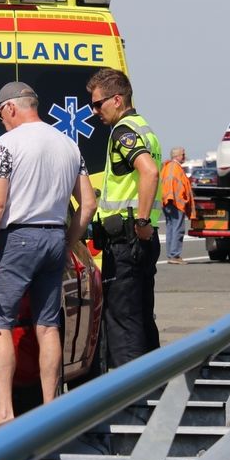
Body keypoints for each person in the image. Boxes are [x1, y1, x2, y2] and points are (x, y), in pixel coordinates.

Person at [0, 82, 96, 439]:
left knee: (0, 324)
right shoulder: (69, 144)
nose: (2, 124)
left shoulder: (9, 144)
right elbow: (88, 204)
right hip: (54, 235)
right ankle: (51, 410)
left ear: (9, 109)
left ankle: (5, 413)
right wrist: (68, 242)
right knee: (48, 325)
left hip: (17, 238)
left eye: (1, 116)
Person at [87, 68, 162, 368]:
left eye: (98, 104)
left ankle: (128, 403)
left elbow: (149, 171)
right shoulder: (144, 126)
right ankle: (150, 389)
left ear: (117, 100)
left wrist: (141, 222)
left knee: (122, 325)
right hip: (139, 240)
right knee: (142, 318)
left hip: (127, 241)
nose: (94, 111)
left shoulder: (123, 131)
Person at [160, 146, 195, 265]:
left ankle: (171, 255)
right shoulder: (174, 167)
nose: (184, 156)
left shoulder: (168, 166)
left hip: (169, 201)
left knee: (171, 228)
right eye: (183, 154)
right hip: (175, 202)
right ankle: (174, 255)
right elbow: (172, 184)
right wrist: (176, 199)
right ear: (177, 156)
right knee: (177, 228)